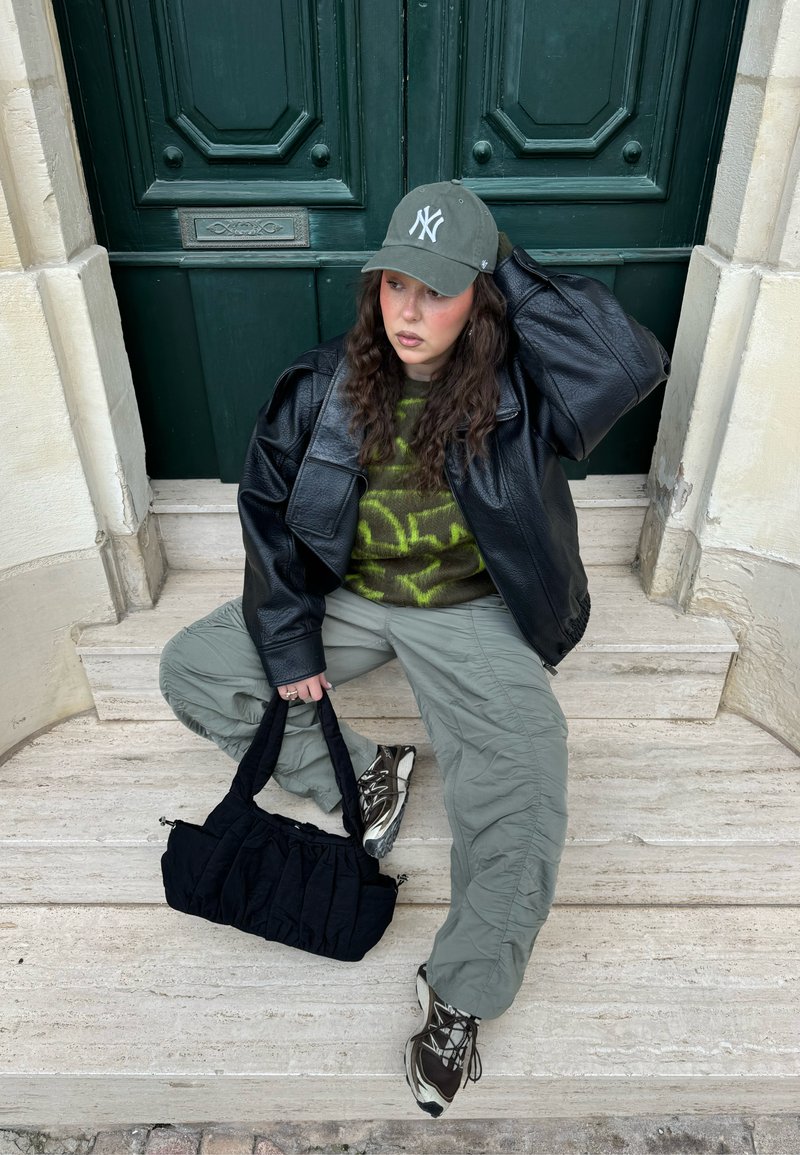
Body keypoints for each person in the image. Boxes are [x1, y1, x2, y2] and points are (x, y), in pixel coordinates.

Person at [159, 180, 670, 1117]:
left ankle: (462, 993)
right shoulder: (321, 384)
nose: (410, 309)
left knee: (524, 785)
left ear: (480, 296)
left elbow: (630, 360)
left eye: (437, 289)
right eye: (397, 283)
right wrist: (285, 640)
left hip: (466, 609)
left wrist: (501, 262)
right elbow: (267, 515)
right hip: (347, 594)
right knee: (195, 669)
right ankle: (368, 775)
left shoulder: (526, 387)